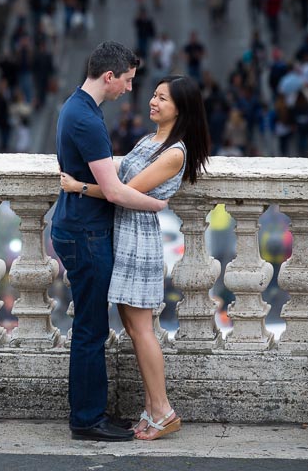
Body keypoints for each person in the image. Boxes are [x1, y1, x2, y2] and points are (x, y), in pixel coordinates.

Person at [61, 75, 210, 442]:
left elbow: (121, 191)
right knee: (132, 325)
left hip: (139, 238)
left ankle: (163, 410)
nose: (152, 102)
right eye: (154, 95)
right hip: (125, 231)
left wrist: (78, 186)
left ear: (181, 108)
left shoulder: (174, 152)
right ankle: (152, 407)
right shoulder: (152, 139)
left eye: (162, 98)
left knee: (141, 327)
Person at [52, 42, 168, 442]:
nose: (130, 89)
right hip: (85, 233)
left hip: (78, 228)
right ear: (109, 77)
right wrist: (156, 204)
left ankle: (93, 413)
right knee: (90, 329)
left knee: (91, 326)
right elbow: (115, 191)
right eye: (128, 80)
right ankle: (86, 419)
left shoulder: (77, 107)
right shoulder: (86, 119)